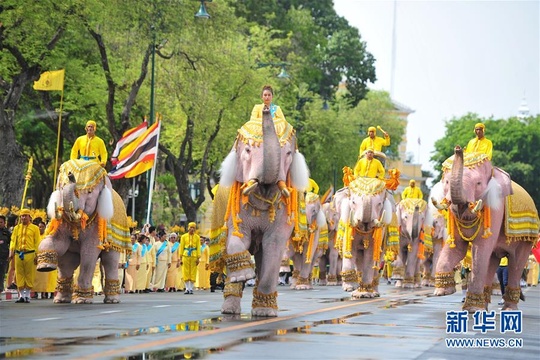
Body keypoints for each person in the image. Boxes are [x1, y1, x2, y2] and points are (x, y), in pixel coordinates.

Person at [9, 209, 41, 303]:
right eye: (22, 216)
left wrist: (37, 254)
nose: (23, 218)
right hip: (18, 254)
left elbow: (37, 242)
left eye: (25, 216)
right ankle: (21, 296)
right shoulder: (16, 228)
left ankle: (27, 295)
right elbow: (13, 240)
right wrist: (11, 251)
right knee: (19, 275)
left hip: (30, 254)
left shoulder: (35, 228)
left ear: (29, 217)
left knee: (29, 274)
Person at [180, 222, 201, 294]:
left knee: (193, 272)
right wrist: (180, 257)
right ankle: (187, 288)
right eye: (191, 227)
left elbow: (198, 247)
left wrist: (198, 257)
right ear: (188, 228)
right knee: (185, 271)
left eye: (193, 228)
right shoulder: (183, 237)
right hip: (185, 255)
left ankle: (191, 288)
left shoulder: (197, 237)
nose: (192, 229)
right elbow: (181, 247)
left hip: (194, 255)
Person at [0, 215, 12, 300]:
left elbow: (11, 244)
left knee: (1, 275)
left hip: (3, 258)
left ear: (4, 223)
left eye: (1, 222)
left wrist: (10, 255)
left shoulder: (7, 233)